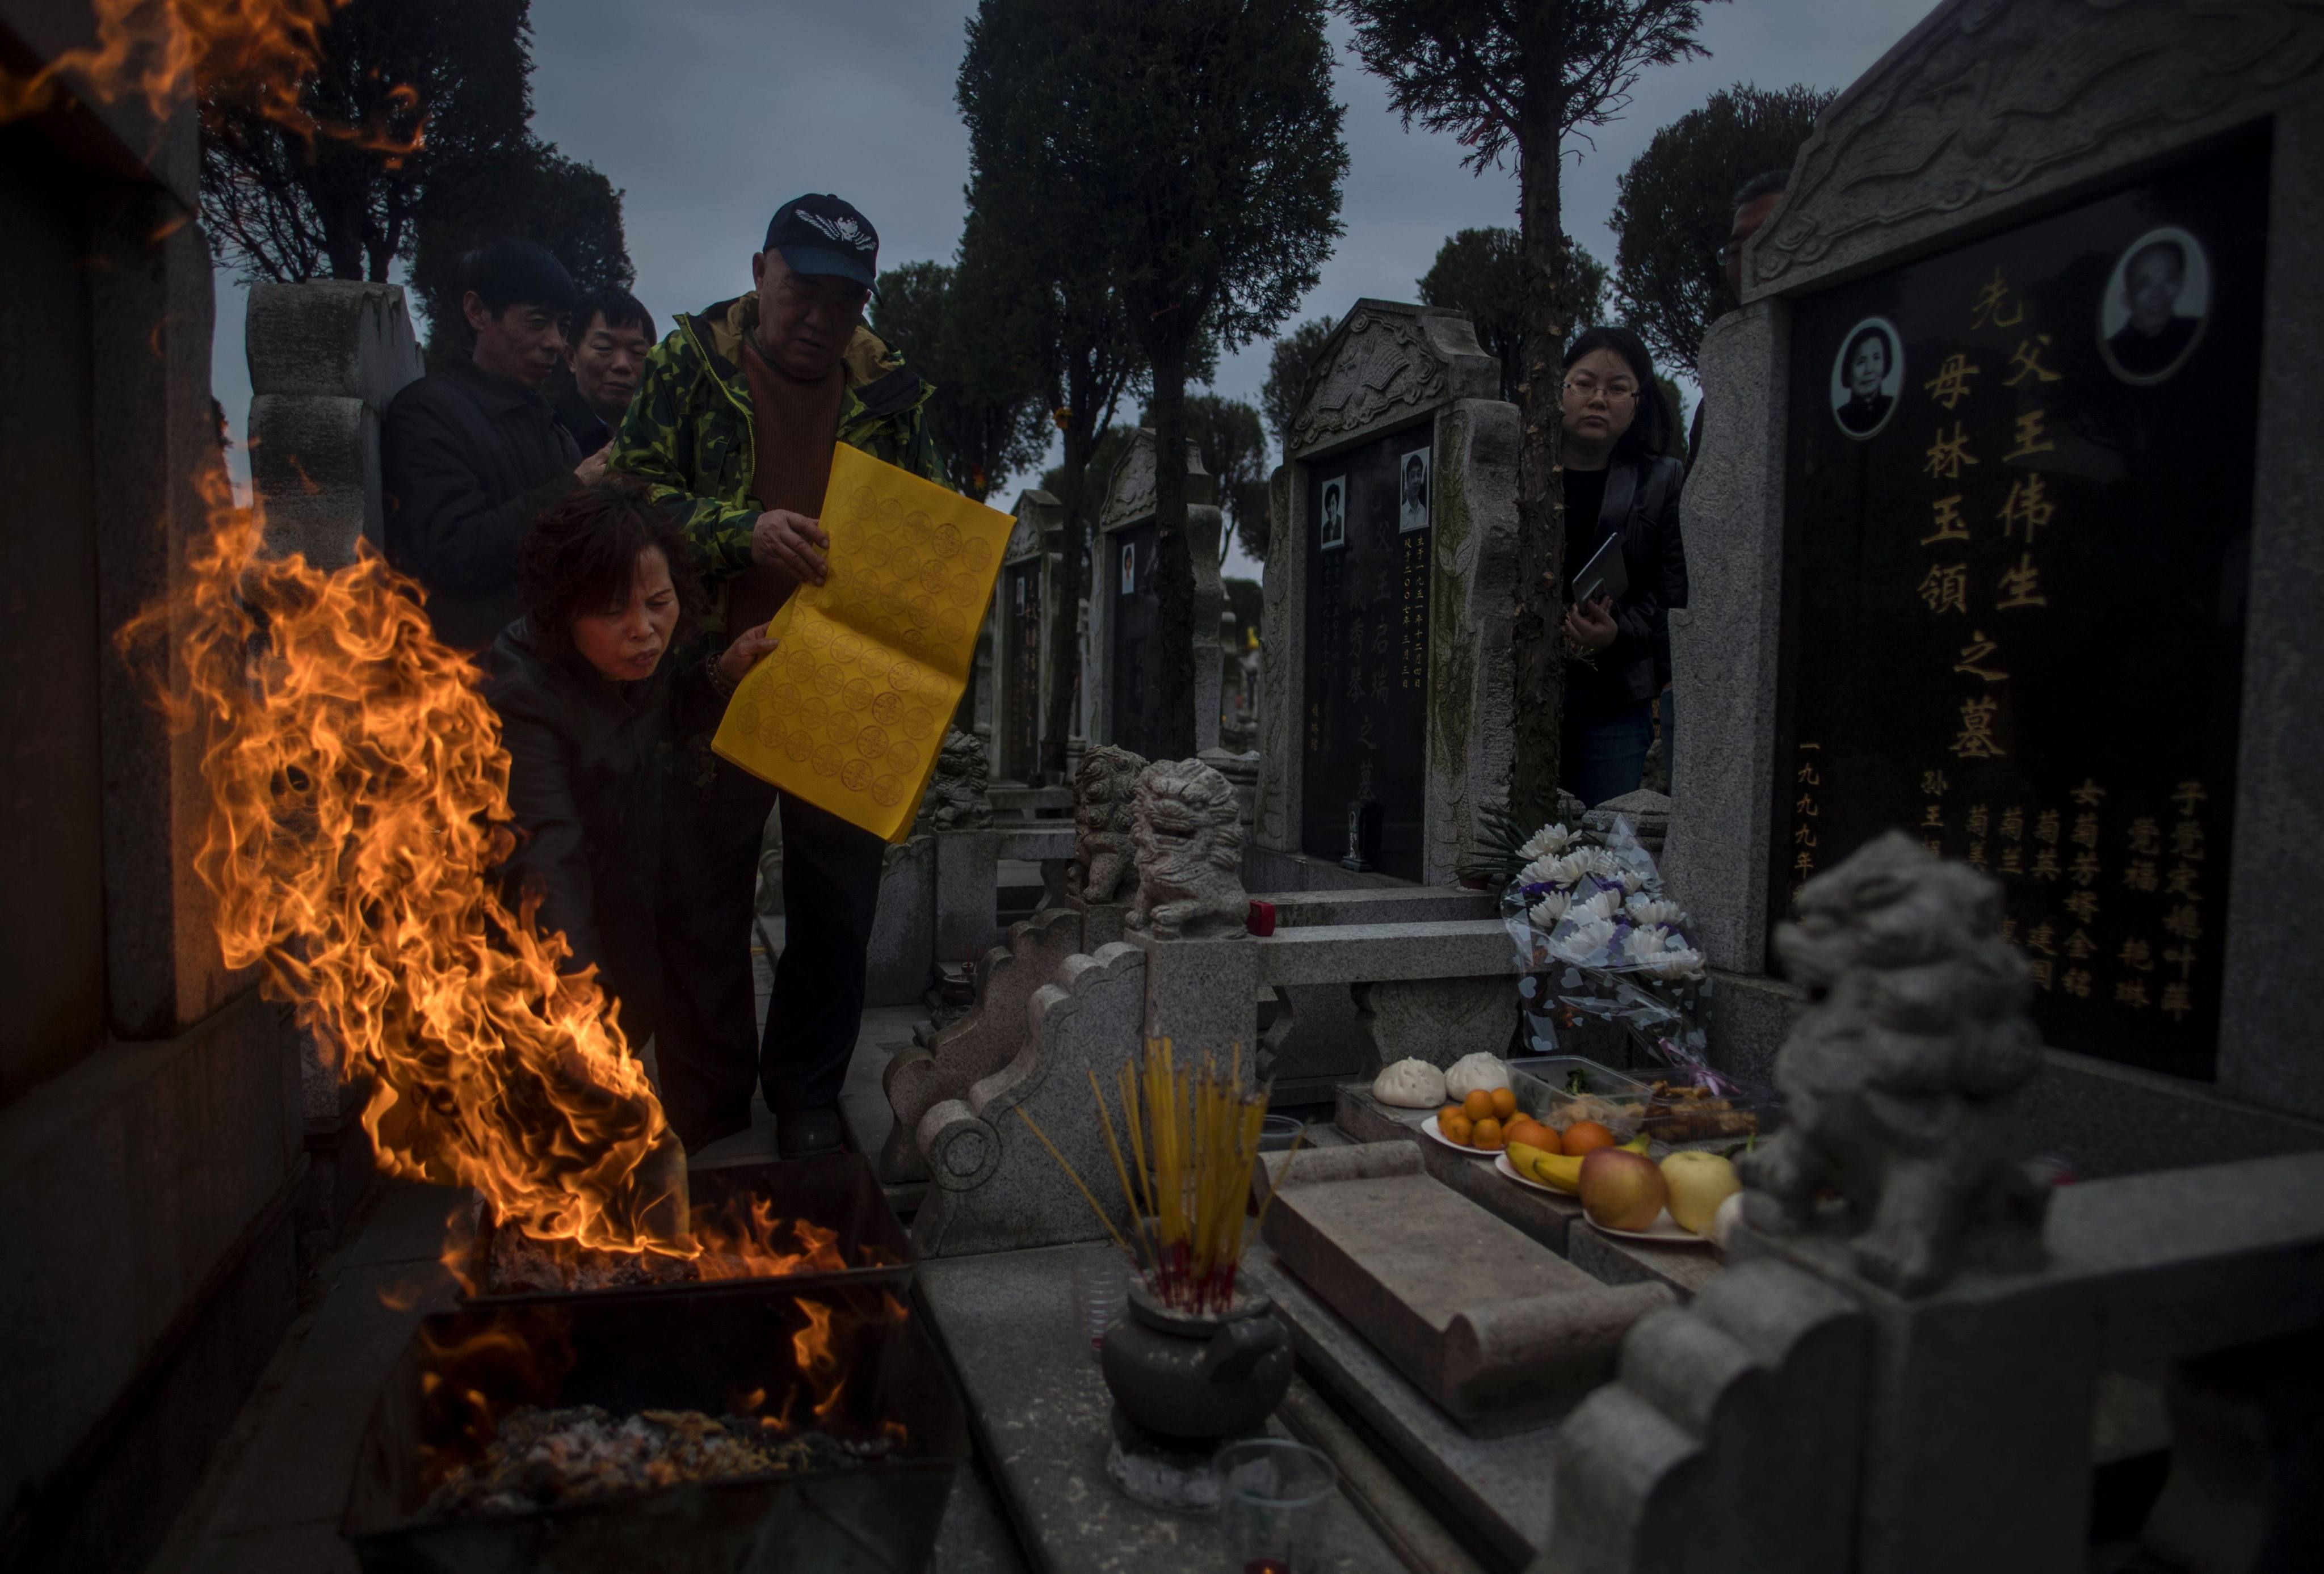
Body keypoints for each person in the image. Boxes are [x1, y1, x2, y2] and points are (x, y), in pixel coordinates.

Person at [612, 192, 943, 1158]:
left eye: (846, 302)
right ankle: (708, 1092)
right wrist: (738, 529)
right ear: (760, 272)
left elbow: (927, 532)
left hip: (841, 684)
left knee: (836, 901)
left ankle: (806, 1090)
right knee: (703, 890)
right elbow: (628, 496)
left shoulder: (894, 396)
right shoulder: (690, 366)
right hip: (713, 674)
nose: (821, 319)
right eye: (802, 291)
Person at [483, 479, 776, 1055]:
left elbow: (656, 714)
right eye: (612, 610)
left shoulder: (633, 658)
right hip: (534, 944)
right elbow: (548, 859)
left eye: (659, 602)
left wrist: (721, 673)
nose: (643, 629)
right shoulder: (520, 693)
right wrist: (582, 1009)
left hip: (629, 903)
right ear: (562, 609)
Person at [382, 240, 596, 652]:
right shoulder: (428, 412)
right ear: (477, 312)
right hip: (466, 685)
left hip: (549, 676)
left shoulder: (552, 427)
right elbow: (454, 552)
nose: (554, 342)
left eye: (563, 327)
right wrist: (578, 488)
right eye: (537, 322)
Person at [1558, 326, 1689, 810]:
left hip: (1613, 700)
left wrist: (1617, 635)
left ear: (1637, 402)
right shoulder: (1511, 467)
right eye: (1584, 384)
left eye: (1616, 389)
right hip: (1514, 693)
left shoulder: (1662, 479)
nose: (1598, 399)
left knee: (1603, 856)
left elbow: (1672, 591)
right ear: (1559, 390)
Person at [556, 287, 658, 456]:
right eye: (604, 348)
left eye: (638, 353)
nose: (622, 365)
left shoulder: (667, 438)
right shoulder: (543, 435)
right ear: (571, 357)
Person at [2108, 237, 2199, 378]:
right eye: (2145, 283)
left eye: (2168, 278)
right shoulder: (2113, 351)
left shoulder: (2196, 330)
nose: (2157, 294)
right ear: (2127, 298)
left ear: (2180, 284)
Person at [1835, 324, 1896, 436]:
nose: (1869, 369)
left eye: (1876, 358)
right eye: (1861, 362)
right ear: (1848, 373)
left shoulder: (1893, 407)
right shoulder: (1841, 416)